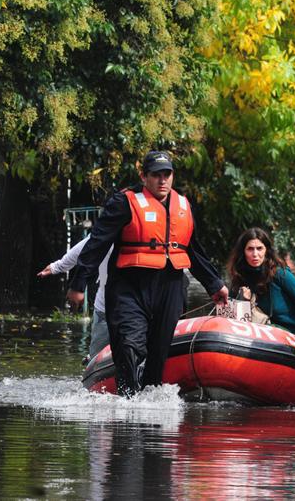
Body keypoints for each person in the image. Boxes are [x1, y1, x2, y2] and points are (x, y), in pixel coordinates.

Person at [67, 150, 229, 396]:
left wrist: (215, 284)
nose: (162, 180)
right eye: (156, 175)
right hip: (129, 288)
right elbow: (97, 243)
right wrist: (79, 285)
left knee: (158, 354)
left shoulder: (183, 205)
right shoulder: (124, 203)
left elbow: (193, 251)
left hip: (170, 289)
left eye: (167, 174)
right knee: (129, 346)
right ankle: (128, 400)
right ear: (144, 176)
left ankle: (149, 404)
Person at [227, 227, 295, 341]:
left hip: (292, 334)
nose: (255, 254)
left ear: (266, 250)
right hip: (259, 333)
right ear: (243, 252)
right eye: (250, 249)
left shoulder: (280, 273)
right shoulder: (239, 277)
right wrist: (242, 300)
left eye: (259, 248)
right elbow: (231, 314)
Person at [38, 236, 111, 360]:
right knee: (97, 356)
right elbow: (90, 243)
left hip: (134, 307)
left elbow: (91, 243)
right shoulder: (111, 227)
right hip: (107, 305)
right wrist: (59, 266)